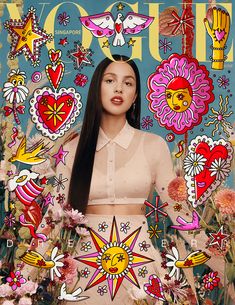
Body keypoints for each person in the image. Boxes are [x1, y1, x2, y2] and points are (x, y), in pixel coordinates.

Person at [57, 55, 224, 305]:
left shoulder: (153, 146)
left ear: (135, 96)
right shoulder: (71, 150)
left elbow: (177, 209)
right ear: (96, 88)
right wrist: (19, 282)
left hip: (140, 264)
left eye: (128, 83)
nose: (118, 89)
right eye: (110, 80)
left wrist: (220, 259)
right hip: (84, 269)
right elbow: (54, 217)